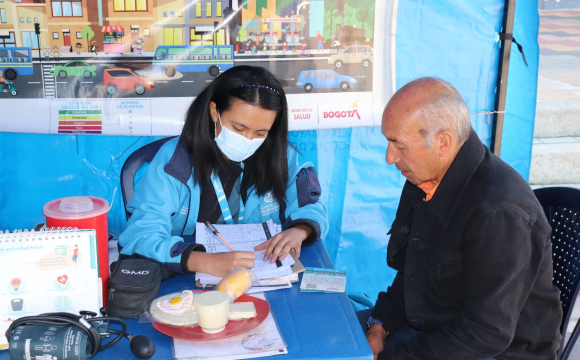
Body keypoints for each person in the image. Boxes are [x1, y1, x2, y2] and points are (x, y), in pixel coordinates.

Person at [363, 77, 562, 359]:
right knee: (336, 337)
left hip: (494, 352)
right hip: (435, 327)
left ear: (442, 142)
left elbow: (486, 332)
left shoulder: (498, 211)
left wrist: (392, 358)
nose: (389, 157)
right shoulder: (425, 179)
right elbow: (412, 274)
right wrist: (378, 326)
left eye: (399, 145)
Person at [118, 65, 328, 279]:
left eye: (261, 132)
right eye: (238, 129)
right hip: (185, 277)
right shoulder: (174, 162)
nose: (248, 140)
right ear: (214, 112)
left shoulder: (283, 158)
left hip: (261, 274)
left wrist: (300, 230)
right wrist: (203, 261)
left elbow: (311, 206)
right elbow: (140, 235)